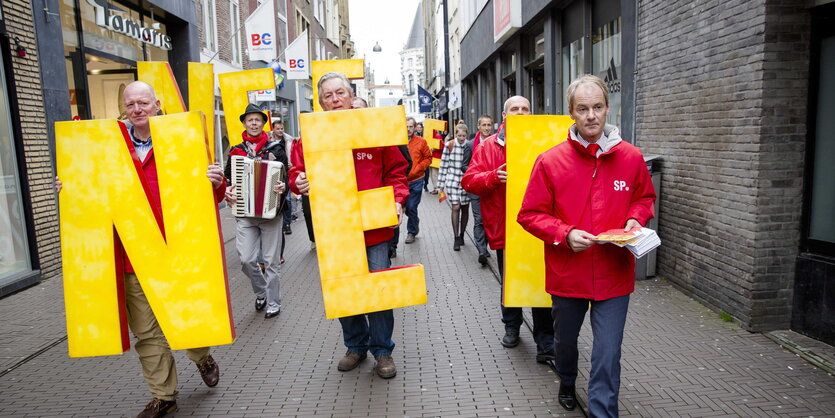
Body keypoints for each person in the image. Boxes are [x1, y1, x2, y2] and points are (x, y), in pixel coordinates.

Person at [56, 81, 223, 418]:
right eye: (130, 104)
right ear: (124, 108)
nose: (137, 109)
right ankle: (164, 396)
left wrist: (216, 185)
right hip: (131, 257)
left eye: (143, 102)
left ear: (157, 104)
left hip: (175, 252)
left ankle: (201, 356)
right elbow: (90, 193)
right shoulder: (108, 147)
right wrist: (69, 188)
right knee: (146, 333)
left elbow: (207, 200)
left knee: (184, 319)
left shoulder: (182, 141)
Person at [517, 75, 656, 416]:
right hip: (568, 274)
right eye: (583, 109)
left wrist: (636, 218)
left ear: (608, 108)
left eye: (597, 107)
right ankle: (566, 378)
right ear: (571, 113)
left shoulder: (631, 157)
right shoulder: (550, 162)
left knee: (607, 353)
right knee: (565, 343)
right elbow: (530, 214)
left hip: (613, 274)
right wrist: (564, 234)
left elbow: (644, 197)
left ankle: (601, 411)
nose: (591, 115)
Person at [289, 72, 409, 379]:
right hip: (335, 228)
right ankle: (355, 345)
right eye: (327, 96)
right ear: (320, 102)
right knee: (343, 290)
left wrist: (397, 199)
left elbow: (397, 170)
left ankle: (382, 351)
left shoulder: (374, 126)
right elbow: (296, 173)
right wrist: (298, 182)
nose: (334, 100)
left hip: (375, 227)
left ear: (350, 94)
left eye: (340, 93)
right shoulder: (309, 137)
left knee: (379, 290)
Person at [461, 95, 555, 364]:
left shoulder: (545, 143)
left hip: (539, 229)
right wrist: (492, 177)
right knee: (511, 283)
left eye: (526, 108)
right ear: (504, 115)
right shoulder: (488, 147)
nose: (521, 112)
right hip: (507, 230)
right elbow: (468, 181)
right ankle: (512, 327)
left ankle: (545, 339)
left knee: (540, 284)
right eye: (515, 109)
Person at [224, 104, 288, 320]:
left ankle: (273, 302)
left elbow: (286, 175)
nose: (253, 123)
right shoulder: (236, 151)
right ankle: (261, 291)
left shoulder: (275, 149)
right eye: (249, 120)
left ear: (263, 124)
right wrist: (228, 190)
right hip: (245, 213)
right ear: (244, 123)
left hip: (271, 213)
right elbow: (228, 178)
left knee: (271, 260)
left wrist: (283, 186)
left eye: (257, 120)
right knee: (246, 259)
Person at [463, 114, 493, 266]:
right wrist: (478, 173)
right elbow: (464, 166)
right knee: (479, 219)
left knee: (489, 219)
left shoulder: (497, 143)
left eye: (489, 125)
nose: (487, 128)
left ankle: (486, 246)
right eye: (484, 125)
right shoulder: (469, 145)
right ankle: (482, 250)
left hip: (491, 188)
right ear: (478, 127)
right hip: (476, 190)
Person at [437, 124, 471, 251]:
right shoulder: (449, 145)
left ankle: (462, 234)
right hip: (452, 179)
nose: (461, 138)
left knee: (465, 208)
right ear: (455, 134)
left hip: (466, 181)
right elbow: (443, 165)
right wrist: (440, 186)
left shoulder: (469, 145)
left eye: (463, 136)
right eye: (459, 135)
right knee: (456, 207)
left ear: (466, 135)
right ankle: (456, 237)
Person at [402, 117, 432, 245]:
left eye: (410, 126)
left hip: (417, 180)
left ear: (414, 128)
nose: (408, 129)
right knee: (407, 209)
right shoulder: (398, 142)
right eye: (406, 126)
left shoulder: (421, 142)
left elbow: (428, 158)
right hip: (402, 181)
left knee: (411, 206)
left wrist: (419, 168)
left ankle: (411, 232)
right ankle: (415, 222)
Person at [272, 119, 295, 236]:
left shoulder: (288, 141)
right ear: (273, 129)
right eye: (278, 129)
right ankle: (276, 222)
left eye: (282, 128)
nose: (280, 131)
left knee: (288, 199)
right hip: (274, 173)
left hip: (287, 172)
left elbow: (294, 154)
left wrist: (292, 163)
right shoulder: (268, 141)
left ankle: (287, 223)